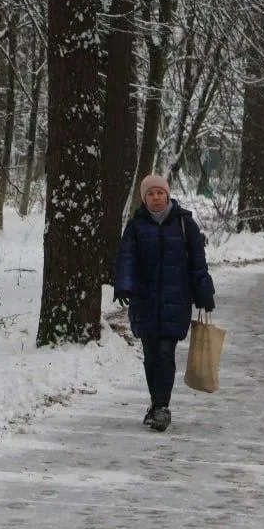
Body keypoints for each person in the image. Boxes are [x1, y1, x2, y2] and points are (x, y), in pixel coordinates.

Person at [114, 174, 215, 432]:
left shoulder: (185, 224)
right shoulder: (136, 226)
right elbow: (127, 257)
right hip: (145, 302)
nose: (156, 197)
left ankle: (162, 407)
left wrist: (204, 293)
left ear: (167, 195)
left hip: (175, 301)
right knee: (150, 356)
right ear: (144, 198)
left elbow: (198, 263)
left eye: (160, 193)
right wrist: (124, 284)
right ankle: (155, 403)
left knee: (165, 353)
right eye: (150, 194)